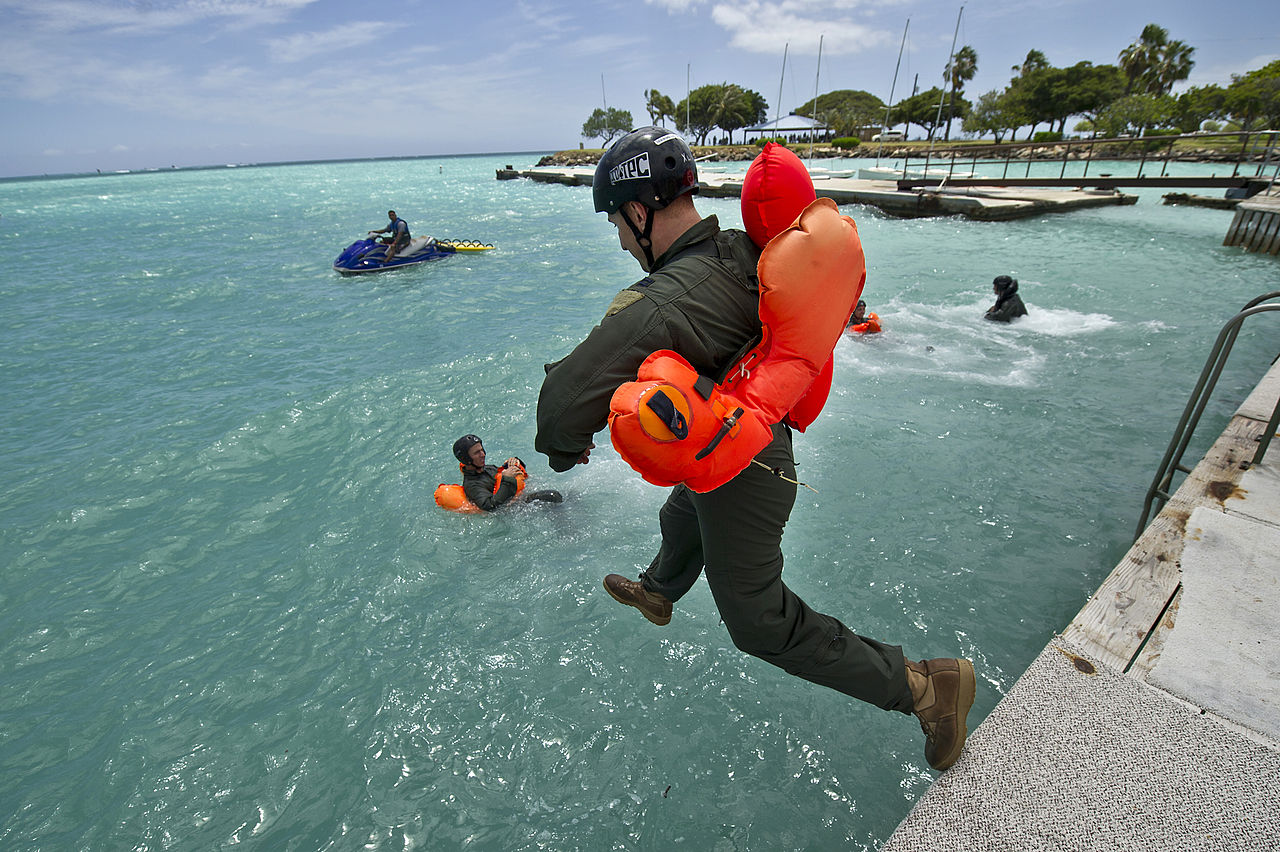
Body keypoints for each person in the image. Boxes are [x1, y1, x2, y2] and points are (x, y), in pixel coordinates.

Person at [534, 126, 975, 772]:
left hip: (751, 468)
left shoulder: (657, 306)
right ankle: (660, 588)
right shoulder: (743, 251)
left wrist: (567, 448)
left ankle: (923, 687)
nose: (621, 240)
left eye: (617, 224)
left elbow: (558, 410)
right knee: (683, 508)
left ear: (638, 209)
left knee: (760, 622)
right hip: (752, 435)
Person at [452, 434, 561, 511]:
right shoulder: (472, 485)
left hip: (519, 497)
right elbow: (491, 506)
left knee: (563, 495)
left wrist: (514, 464)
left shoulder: (487, 468)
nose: (483, 454)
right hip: (514, 509)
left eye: (481, 449)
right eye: (477, 453)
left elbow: (504, 475)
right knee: (553, 496)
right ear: (467, 459)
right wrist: (507, 479)